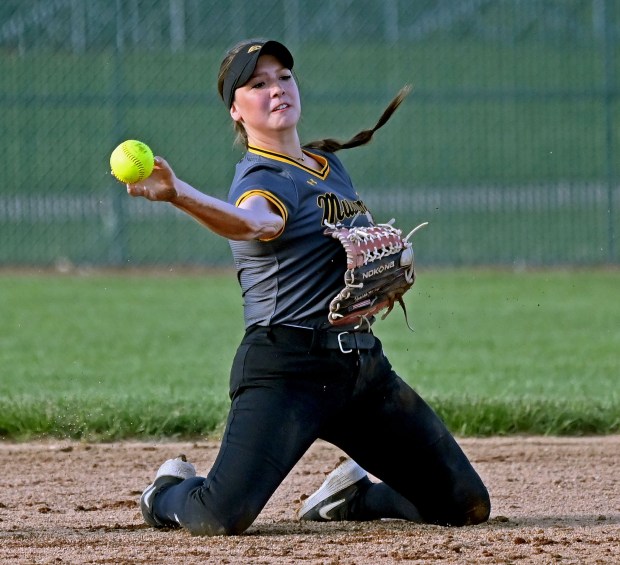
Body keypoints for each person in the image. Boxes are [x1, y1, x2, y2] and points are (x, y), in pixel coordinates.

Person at [129, 38, 491, 536]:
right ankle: (165, 494)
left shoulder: (327, 165)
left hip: (360, 370)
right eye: (257, 84)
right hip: (287, 370)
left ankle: (352, 498)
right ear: (236, 109)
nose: (276, 89)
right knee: (218, 515)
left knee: (465, 504)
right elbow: (251, 223)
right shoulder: (262, 179)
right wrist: (179, 194)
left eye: (284, 77)